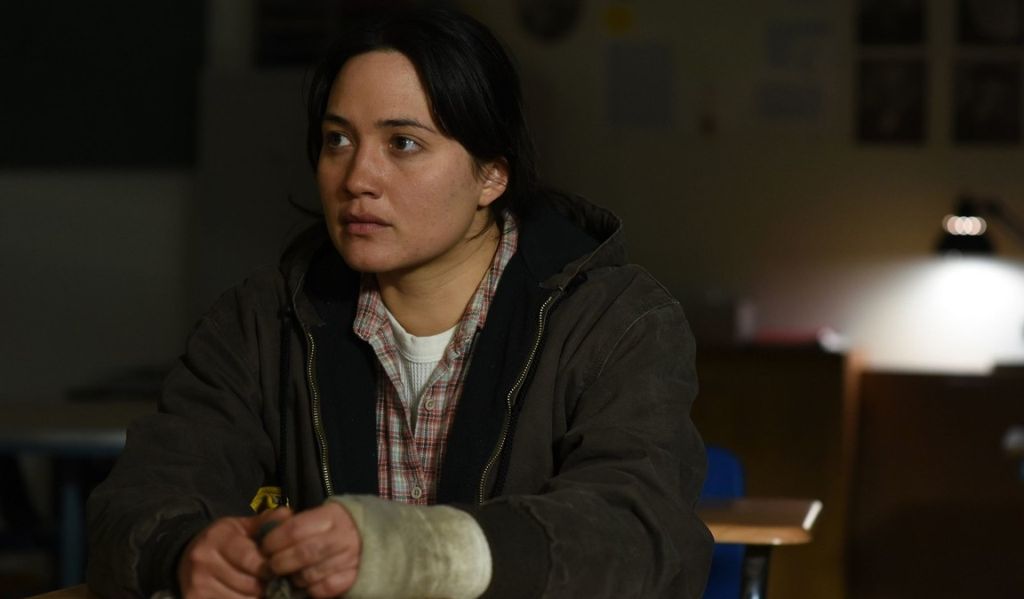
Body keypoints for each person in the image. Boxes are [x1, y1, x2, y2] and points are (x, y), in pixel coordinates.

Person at [86, 8, 712, 598]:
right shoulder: (260, 323)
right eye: (337, 140)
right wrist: (183, 549)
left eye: (403, 143)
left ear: (492, 175)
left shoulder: (615, 322)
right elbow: (142, 496)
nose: (357, 178)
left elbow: (639, 530)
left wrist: (417, 552)